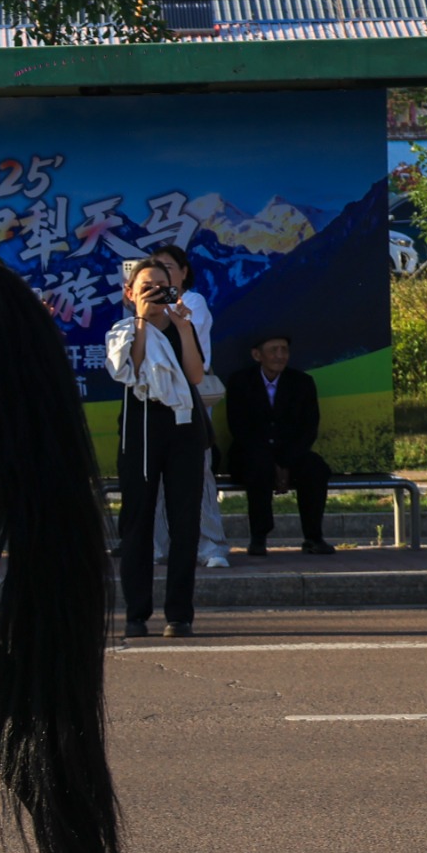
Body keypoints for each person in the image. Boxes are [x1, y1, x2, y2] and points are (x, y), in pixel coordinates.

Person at [107, 258, 206, 638]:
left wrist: (182, 328)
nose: (153, 294)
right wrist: (141, 321)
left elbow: (195, 375)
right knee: (137, 520)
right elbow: (129, 371)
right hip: (141, 427)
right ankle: (136, 613)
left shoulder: (183, 325)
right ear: (129, 293)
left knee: (185, 522)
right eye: (145, 287)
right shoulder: (122, 331)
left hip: (183, 428)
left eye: (160, 287)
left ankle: (179, 614)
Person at [144, 247, 228, 572]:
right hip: (152, 401)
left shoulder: (192, 302)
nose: (162, 276)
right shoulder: (143, 307)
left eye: (168, 268)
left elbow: (187, 352)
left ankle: (211, 546)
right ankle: (157, 545)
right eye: (156, 270)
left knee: (198, 475)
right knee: (155, 476)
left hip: (188, 397)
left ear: (183, 272)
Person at [224, 335, 334, 557]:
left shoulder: (302, 383)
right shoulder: (239, 382)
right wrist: (271, 461)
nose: (280, 356)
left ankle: (314, 537)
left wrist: (285, 461)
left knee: (316, 468)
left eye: (284, 350)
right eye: (273, 350)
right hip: (251, 454)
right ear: (257, 355)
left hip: (291, 454)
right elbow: (240, 428)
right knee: (259, 466)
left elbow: (308, 428)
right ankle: (259, 537)